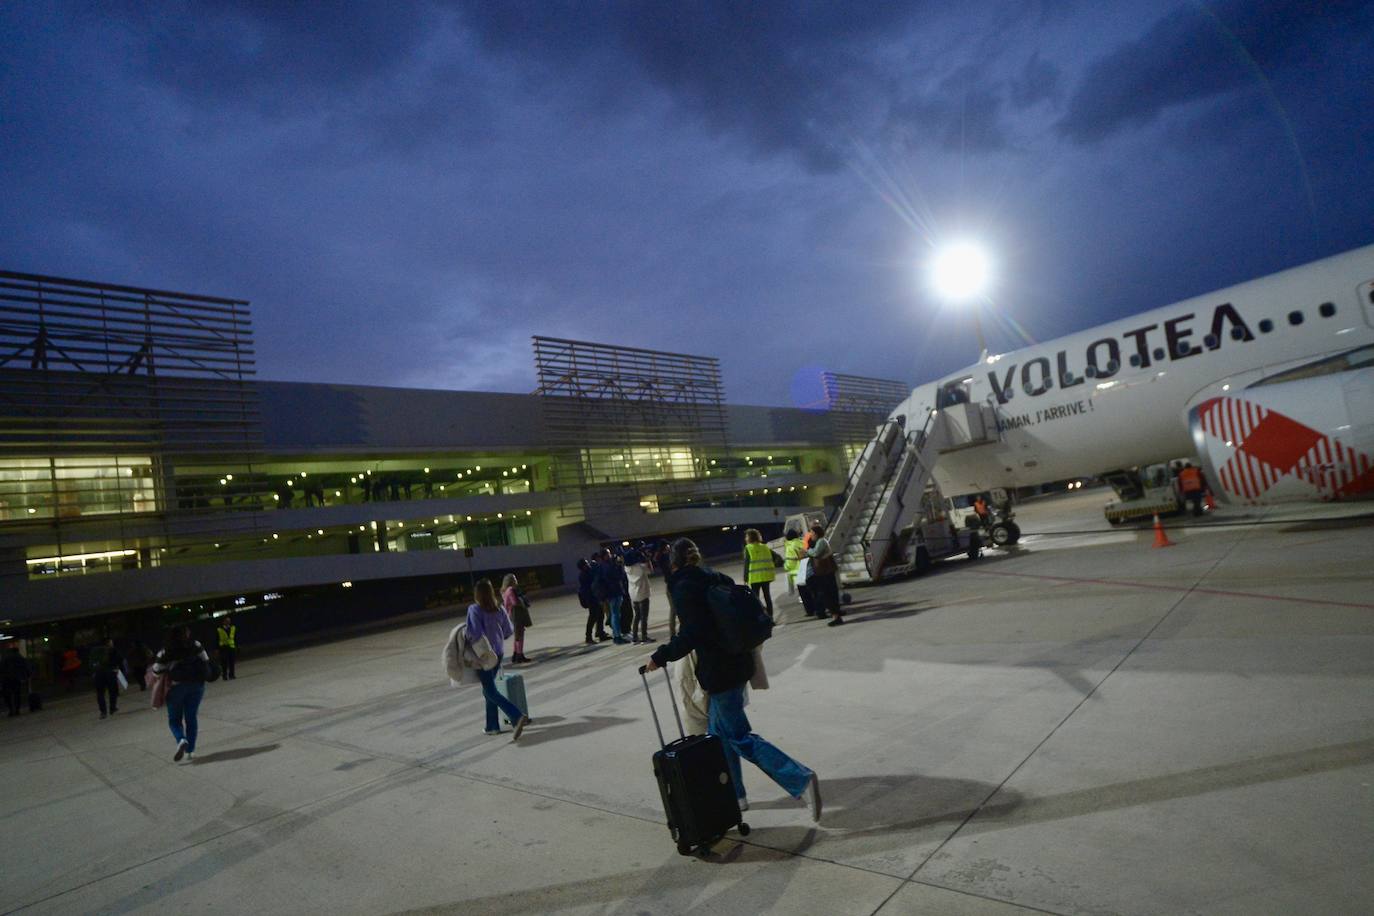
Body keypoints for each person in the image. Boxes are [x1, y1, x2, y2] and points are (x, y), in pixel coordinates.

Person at [643, 538, 821, 821]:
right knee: (719, 738)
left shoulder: (684, 586)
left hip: (720, 671)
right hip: (738, 661)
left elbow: (693, 632)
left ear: (672, 563)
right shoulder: (715, 577)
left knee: (738, 736)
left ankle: (799, 778)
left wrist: (661, 656)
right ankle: (735, 796)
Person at [466, 578, 530, 739]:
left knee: (490, 690)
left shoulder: (475, 609)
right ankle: (492, 726)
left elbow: (474, 633)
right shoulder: (499, 609)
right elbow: (508, 631)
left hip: (484, 655)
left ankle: (516, 715)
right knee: (489, 689)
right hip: (498, 653)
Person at [151, 626, 211, 761]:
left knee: (174, 720)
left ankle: (181, 740)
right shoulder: (196, 645)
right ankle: (191, 751)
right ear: (186, 634)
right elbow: (205, 660)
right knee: (191, 718)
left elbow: (157, 671)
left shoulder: (165, 651)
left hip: (176, 688)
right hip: (196, 686)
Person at [807, 523, 843, 626]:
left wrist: (808, 550)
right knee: (829, 593)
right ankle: (836, 614)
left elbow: (815, 553)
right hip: (826, 571)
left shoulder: (821, 541)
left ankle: (836, 616)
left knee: (828, 593)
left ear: (817, 533)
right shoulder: (821, 541)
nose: (811, 535)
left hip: (825, 571)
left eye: (812, 533)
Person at [741, 529, 777, 619]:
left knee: (756, 599)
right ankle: (770, 617)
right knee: (767, 597)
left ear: (749, 537)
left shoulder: (748, 548)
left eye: (746, 536)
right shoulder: (765, 547)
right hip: (766, 576)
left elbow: (746, 564)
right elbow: (777, 558)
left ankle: (762, 616)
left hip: (755, 578)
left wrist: (745, 578)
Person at [501, 573, 533, 664]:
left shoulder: (505, 590)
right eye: (514, 579)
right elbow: (515, 602)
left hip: (511, 615)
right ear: (510, 581)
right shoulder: (511, 590)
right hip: (516, 615)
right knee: (519, 635)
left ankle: (516, 655)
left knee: (517, 636)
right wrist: (523, 601)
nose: (516, 580)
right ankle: (519, 655)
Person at [88, 638, 123, 719]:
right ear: (108, 643)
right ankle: (112, 707)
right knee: (113, 691)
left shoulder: (94, 651)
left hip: (98, 674)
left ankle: (103, 712)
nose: (112, 644)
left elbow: (90, 663)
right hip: (110, 673)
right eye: (111, 642)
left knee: (100, 693)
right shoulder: (112, 650)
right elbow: (119, 660)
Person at [625, 548, 654, 644]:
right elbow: (651, 570)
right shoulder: (640, 567)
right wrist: (648, 559)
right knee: (644, 617)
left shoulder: (627, 568)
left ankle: (634, 637)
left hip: (633, 595)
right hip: (642, 594)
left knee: (637, 616)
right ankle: (644, 637)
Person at [577, 559, 605, 645]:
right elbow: (593, 579)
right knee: (592, 617)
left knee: (600, 614)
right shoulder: (584, 575)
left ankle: (600, 632)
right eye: (586, 564)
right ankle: (588, 636)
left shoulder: (588, 572)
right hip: (590, 598)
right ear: (583, 566)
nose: (588, 565)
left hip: (594, 597)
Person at [1, 647, 31, 717]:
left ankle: (11, 709)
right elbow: (26, 667)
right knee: (17, 694)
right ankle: (17, 709)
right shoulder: (20, 658)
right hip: (17, 679)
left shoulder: (6, 658)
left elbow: (2, 668)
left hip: (7, 679)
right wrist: (27, 676)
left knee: (7, 695)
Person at [782, 526, 805, 596]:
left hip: (795, 570)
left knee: (802, 590)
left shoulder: (789, 545)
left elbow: (789, 560)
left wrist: (786, 566)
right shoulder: (801, 542)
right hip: (803, 568)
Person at [216, 615, 238, 680]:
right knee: (224, 662)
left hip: (231, 647)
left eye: (229, 620)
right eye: (227, 621)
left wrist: (237, 646)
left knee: (232, 662)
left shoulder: (233, 628)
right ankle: (224, 675)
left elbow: (235, 637)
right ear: (223, 622)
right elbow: (216, 639)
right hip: (223, 647)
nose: (228, 622)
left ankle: (232, 675)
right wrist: (216, 648)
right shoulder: (219, 629)